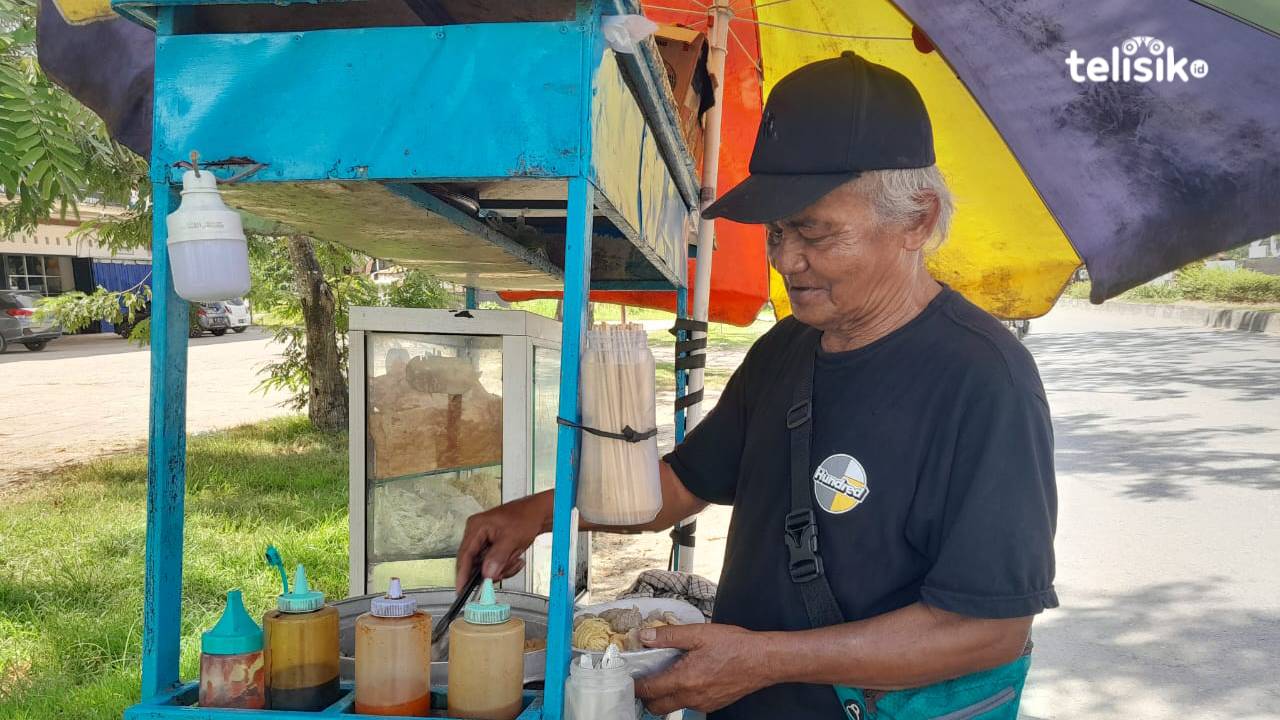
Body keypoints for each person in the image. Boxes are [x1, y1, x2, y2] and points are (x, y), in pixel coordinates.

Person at [456, 51, 1057, 719]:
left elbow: (989, 627)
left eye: (815, 232)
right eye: (776, 233)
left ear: (916, 220)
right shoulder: (787, 348)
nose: (787, 261)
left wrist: (765, 661)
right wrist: (535, 513)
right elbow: (681, 485)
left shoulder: (983, 380)